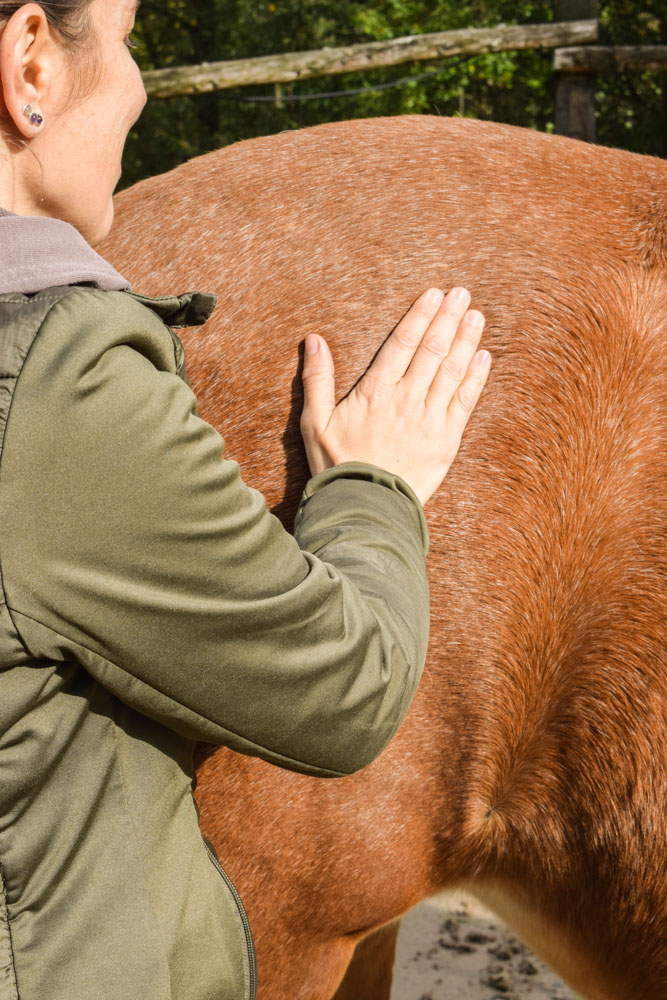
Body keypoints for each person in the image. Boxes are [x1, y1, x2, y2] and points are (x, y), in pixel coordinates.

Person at [0, 1, 491, 998]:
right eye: (128, 39)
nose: (138, 88)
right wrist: (373, 487)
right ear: (31, 64)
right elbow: (341, 688)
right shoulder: (53, 388)